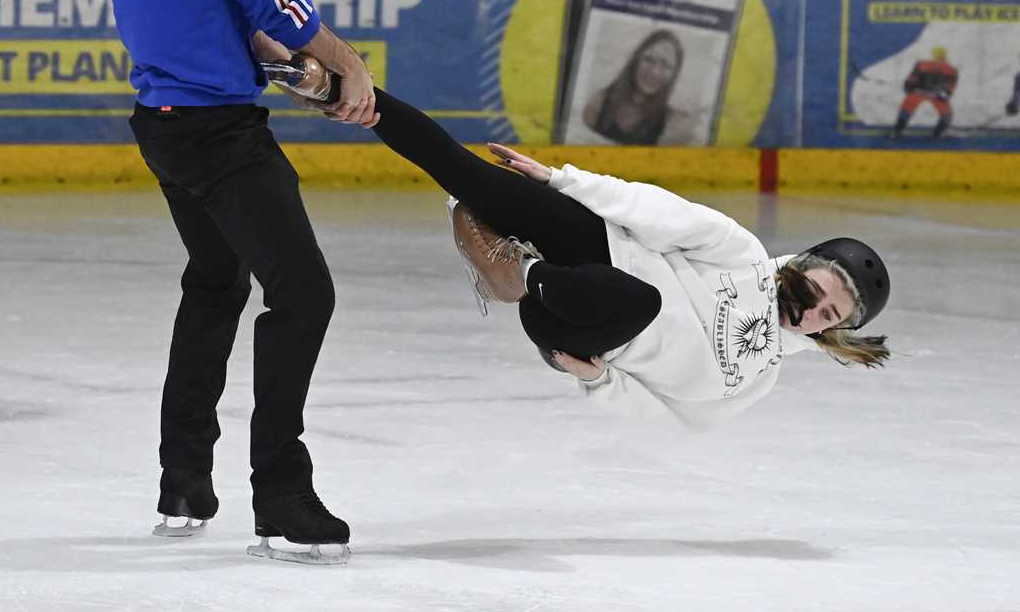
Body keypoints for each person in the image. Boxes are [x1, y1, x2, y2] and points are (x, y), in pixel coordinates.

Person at [83, 0, 375, 563]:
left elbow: (199, 6)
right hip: (219, 134)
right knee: (304, 293)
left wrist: (282, 64)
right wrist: (343, 59)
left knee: (216, 281)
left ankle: (183, 479)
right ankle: (282, 499)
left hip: (165, 125)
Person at [341, 85, 892, 428]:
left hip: (583, 329)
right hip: (592, 249)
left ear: (836, 330)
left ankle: (518, 273)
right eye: (818, 292)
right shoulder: (742, 254)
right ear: (803, 266)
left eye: (829, 316)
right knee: (469, 173)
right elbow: (660, 211)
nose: (814, 311)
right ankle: (347, 92)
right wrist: (560, 179)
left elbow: (677, 418)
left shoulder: (755, 380)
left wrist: (601, 383)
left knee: (640, 300)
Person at [583, 29, 689, 145]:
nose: (654, 72)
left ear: (674, 74)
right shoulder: (598, 102)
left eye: (665, 65)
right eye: (649, 59)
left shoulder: (671, 124)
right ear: (635, 61)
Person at [893, 46, 957, 138]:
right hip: (935, 94)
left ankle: (898, 130)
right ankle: (938, 133)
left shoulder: (922, 64)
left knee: (906, 109)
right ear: (944, 56)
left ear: (933, 55)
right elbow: (951, 85)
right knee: (947, 114)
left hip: (918, 92)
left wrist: (908, 86)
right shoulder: (951, 69)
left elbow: (912, 77)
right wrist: (947, 95)